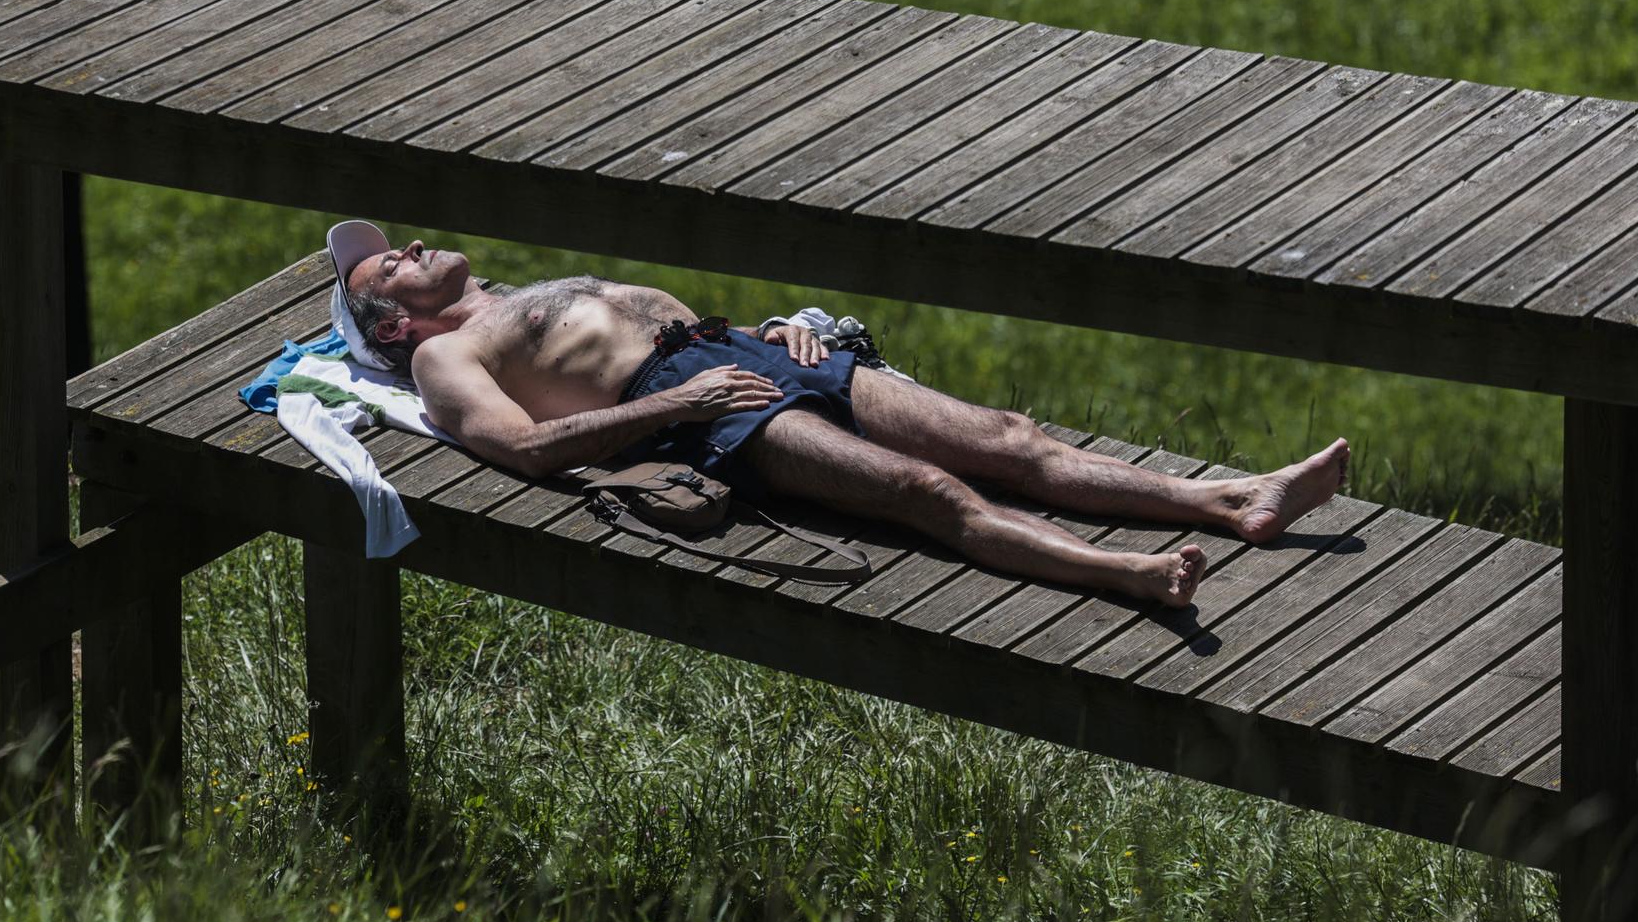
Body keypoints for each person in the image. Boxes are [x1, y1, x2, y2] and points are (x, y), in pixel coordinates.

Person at [325, 221, 1348, 607]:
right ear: (393, 325)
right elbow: (527, 450)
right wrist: (683, 399)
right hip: (693, 413)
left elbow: (660, 320)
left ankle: (1229, 500)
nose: (411, 247)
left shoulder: (507, 294)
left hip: (746, 353)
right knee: (922, 492)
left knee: (1007, 438)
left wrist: (778, 329)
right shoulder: (448, 360)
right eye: (392, 263)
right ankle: (1124, 574)